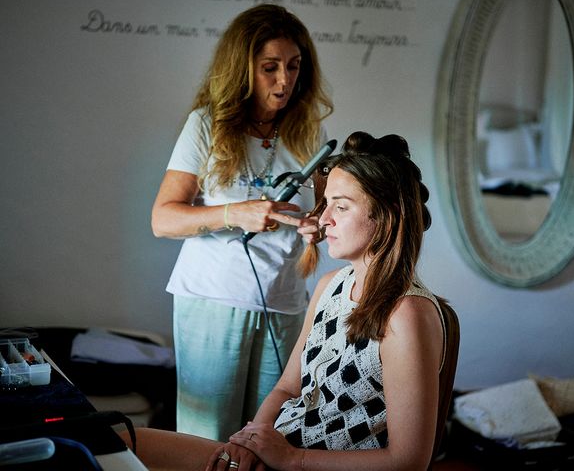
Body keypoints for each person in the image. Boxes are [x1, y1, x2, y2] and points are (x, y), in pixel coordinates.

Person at [131, 131, 447, 471]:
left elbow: (409, 460)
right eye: (326, 204)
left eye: (340, 206)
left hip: (300, 462)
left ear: (388, 213)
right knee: (121, 439)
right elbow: (286, 388)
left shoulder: (407, 315)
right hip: (275, 452)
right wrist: (250, 440)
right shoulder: (331, 287)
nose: (324, 219)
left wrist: (292, 459)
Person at [150, 3, 334, 441]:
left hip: (286, 304)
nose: (284, 80)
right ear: (243, 68)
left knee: (270, 436)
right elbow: (163, 219)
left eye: (293, 66)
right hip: (213, 300)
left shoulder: (311, 134)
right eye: (270, 67)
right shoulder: (206, 126)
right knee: (207, 439)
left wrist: (316, 226)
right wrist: (236, 212)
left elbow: (322, 215)